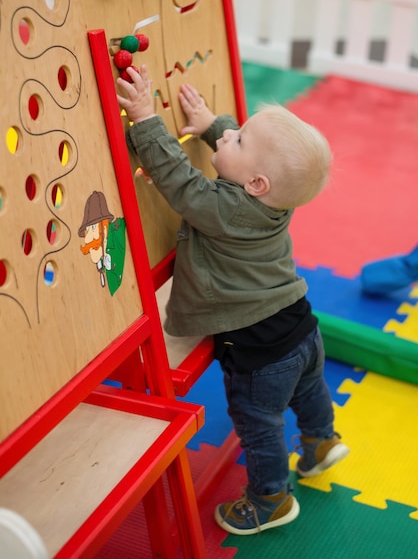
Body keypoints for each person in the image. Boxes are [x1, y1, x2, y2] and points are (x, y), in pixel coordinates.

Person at [116, 65, 349, 536]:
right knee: (309, 392)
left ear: (256, 183)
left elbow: (180, 182)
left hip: (259, 351)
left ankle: (270, 499)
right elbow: (254, 162)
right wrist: (211, 126)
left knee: (258, 424)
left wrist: (144, 117)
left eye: (237, 139)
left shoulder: (224, 208)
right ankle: (321, 443)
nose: (230, 136)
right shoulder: (275, 202)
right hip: (302, 328)